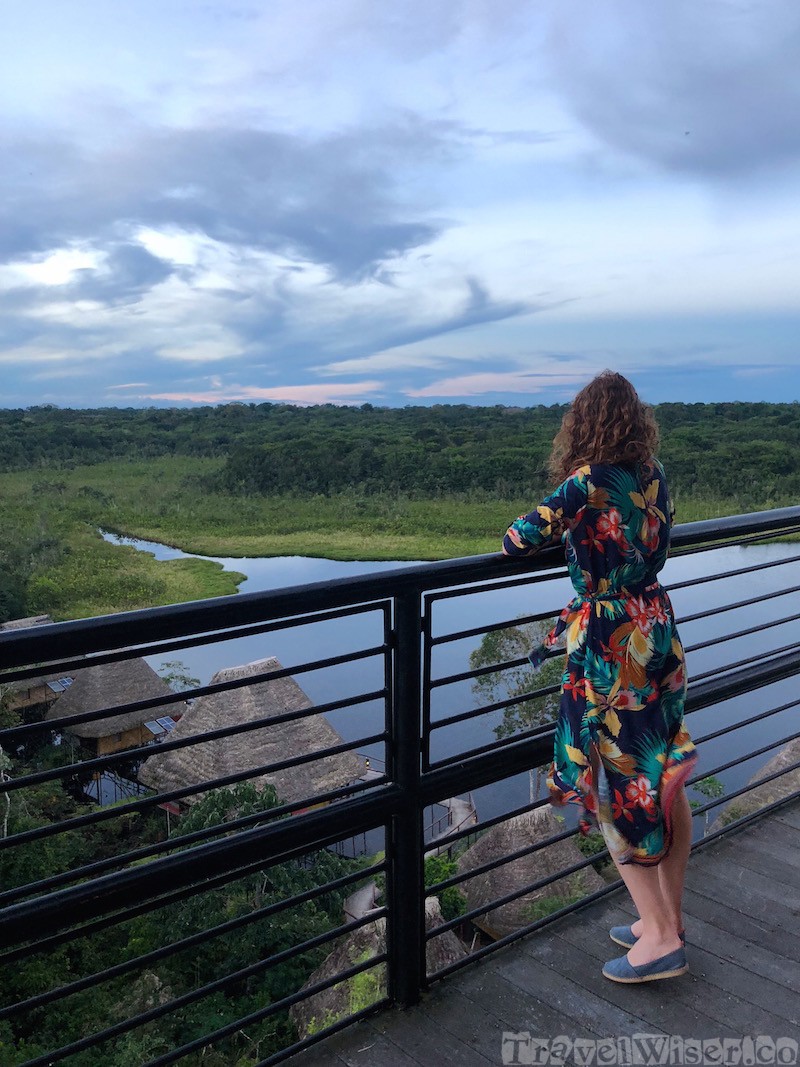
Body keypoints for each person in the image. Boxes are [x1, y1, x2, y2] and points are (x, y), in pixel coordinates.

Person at [502, 370, 697, 984]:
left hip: (613, 645)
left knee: (617, 784)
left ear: (583, 423)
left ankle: (661, 940)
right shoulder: (654, 473)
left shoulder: (585, 483)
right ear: (635, 419)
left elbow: (515, 540)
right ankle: (665, 917)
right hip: (655, 625)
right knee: (658, 767)